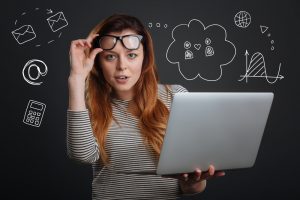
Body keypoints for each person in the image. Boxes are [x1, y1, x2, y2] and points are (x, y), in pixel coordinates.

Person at [67, 14, 225, 199]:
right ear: (98, 62)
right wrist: (77, 77)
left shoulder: (176, 97)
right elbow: (82, 155)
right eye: (110, 57)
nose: (122, 66)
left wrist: (194, 181)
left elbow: (192, 188)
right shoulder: (87, 105)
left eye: (132, 55)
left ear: (145, 58)